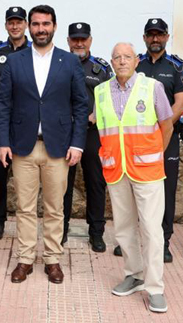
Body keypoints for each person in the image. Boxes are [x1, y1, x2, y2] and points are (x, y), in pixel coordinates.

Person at [0, 4, 89, 285]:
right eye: (35, 24)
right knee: (24, 207)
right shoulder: (15, 61)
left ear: (54, 27)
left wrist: (78, 144)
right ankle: (25, 259)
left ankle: (52, 259)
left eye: (45, 24)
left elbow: (81, 105)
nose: (40, 29)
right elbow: (2, 104)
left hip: (58, 147)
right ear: (29, 26)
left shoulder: (69, 62)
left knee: (54, 207)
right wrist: (1, 142)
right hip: (22, 146)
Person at [94, 42, 173, 314]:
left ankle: (155, 288)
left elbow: (167, 125)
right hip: (116, 169)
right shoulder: (101, 91)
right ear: (111, 62)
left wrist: (155, 154)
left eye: (127, 56)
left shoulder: (153, 87)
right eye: (117, 57)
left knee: (151, 229)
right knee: (124, 228)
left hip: (147, 170)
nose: (122, 61)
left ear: (137, 60)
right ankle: (134, 274)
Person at [133, 18, 183, 263]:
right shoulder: (135, 64)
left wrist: (161, 126)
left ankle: (163, 242)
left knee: (164, 191)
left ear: (167, 37)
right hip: (137, 138)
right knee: (135, 188)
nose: (155, 39)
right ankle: (136, 242)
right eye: (150, 35)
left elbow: (182, 102)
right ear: (145, 37)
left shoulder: (177, 66)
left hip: (166, 137)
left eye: (159, 35)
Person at [61, 22, 112, 251]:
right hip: (65, 133)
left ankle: (96, 232)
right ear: (68, 41)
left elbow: (110, 98)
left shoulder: (100, 68)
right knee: (62, 184)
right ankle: (60, 230)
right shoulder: (58, 63)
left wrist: (95, 115)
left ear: (90, 40)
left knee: (95, 183)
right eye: (75, 39)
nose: (79, 43)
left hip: (92, 133)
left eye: (83, 39)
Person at [0, 6, 30, 240]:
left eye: (19, 22)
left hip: (26, 123)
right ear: (6, 25)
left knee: (27, 175)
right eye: (11, 22)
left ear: (25, 25)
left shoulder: (36, 51)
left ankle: (26, 221)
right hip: (1, 121)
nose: (15, 26)